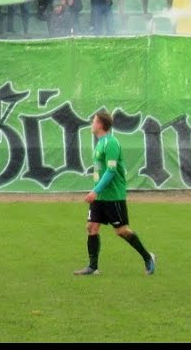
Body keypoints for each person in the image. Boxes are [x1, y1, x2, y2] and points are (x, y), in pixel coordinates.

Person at [73, 110, 155, 276]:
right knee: (92, 227)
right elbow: (99, 169)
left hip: (113, 196)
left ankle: (148, 257)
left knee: (122, 231)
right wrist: (96, 189)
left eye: (93, 121)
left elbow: (110, 172)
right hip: (100, 196)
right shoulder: (99, 144)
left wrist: (95, 191)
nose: (91, 124)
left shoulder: (111, 143)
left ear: (100, 125)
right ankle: (93, 267)